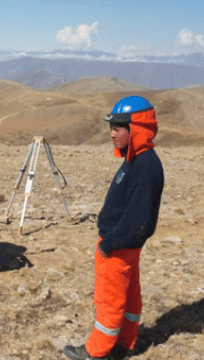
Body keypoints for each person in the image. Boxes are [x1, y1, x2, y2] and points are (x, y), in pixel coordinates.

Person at [63, 95, 164, 360]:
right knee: (129, 300)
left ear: (136, 128)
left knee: (109, 302)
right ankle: (123, 345)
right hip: (126, 246)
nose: (112, 134)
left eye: (117, 127)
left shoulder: (144, 166)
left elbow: (138, 220)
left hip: (118, 247)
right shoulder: (139, 159)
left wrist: (109, 244)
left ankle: (95, 353)